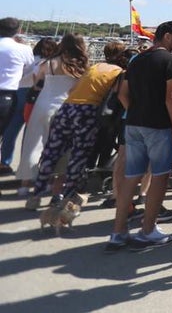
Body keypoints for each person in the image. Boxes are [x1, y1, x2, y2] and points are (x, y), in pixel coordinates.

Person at [108, 21, 172, 251]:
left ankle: (118, 231)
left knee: (131, 177)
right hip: (159, 125)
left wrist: (135, 110)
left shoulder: (137, 59)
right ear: (167, 36)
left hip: (133, 123)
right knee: (160, 177)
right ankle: (147, 230)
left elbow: (122, 93)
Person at [24, 34, 122, 205]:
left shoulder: (96, 67)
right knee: (78, 154)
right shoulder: (118, 72)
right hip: (87, 111)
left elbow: (72, 90)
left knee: (51, 152)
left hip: (67, 107)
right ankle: (67, 195)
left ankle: (35, 196)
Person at [17, 34, 84, 204]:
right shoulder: (79, 65)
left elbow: (36, 83)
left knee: (33, 144)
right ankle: (52, 184)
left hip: (43, 104)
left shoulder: (48, 63)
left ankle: (25, 184)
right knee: (59, 149)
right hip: (65, 107)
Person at [0, 18, 37, 178]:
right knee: (5, 131)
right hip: (7, 93)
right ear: (18, 31)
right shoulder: (23, 49)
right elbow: (30, 69)